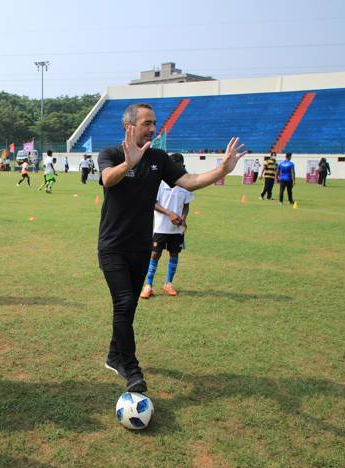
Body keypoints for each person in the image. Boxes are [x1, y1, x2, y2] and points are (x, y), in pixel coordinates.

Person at [97, 103, 245, 393]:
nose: (153, 128)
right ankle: (131, 368)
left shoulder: (158, 158)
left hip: (141, 246)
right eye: (147, 123)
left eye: (154, 122)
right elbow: (107, 179)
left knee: (130, 306)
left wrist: (222, 170)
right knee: (125, 302)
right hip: (112, 246)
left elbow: (188, 181)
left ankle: (114, 356)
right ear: (129, 126)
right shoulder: (111, 154)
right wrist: (129, 163)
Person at [140, 153, 193, 299]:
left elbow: (186, 205)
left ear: (182, 166)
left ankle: (168, 283)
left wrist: (183, 218)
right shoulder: (159, 182)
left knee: (174, 253)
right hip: (161, 227)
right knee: (155, 254)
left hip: (177, 229)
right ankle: (148, 285)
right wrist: (169, 213)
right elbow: (152, 203)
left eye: (179, 167)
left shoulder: (186, 184)